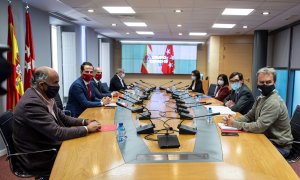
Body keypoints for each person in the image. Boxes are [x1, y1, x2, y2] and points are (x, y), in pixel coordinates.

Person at [13, 66, 101, 175]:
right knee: (83, 157)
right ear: (42, 85)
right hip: (39, 155)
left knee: (86, 146)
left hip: (48, 143)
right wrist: (86, 129)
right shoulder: (31, 104)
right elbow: (57, 133)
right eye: (55, 83)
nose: (58, 86)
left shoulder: (45, 95)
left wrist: (85, 122)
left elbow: (63, 117)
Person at [223, 67, 293, 157]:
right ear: (257, 82)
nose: (265, 85)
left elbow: (259, 127)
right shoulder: (261, 97)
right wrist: (233, 120)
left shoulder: (273, 102)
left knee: (246, 154)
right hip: (266, 138)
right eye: (261, 82)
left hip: (279, 146)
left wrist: (234, 124)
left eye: (268, 82)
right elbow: (249, 116)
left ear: (274, 83)